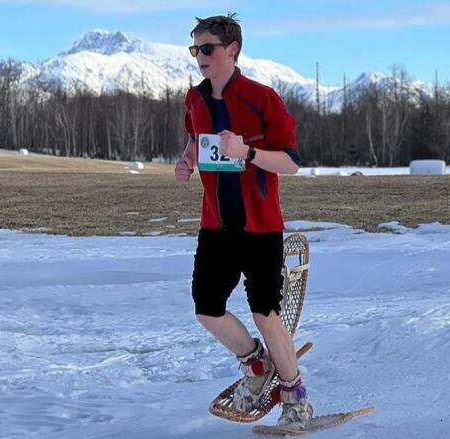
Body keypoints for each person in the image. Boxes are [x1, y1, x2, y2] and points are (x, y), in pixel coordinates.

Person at [174, 13, 312, 430]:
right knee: (207, 309)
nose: (200, 56)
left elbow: (291, 163)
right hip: (216, 225)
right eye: (195, 48)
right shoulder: (194, 100)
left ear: (232, 50)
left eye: (208, 48)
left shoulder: (261, 98)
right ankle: (256, 365)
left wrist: (247, 154)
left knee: (266, 314)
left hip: (260, 226)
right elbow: (195, 140)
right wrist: (185, 161)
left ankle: (295, 396)